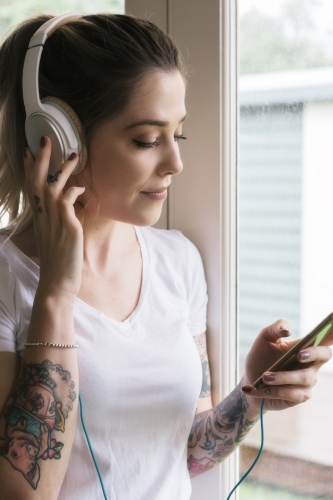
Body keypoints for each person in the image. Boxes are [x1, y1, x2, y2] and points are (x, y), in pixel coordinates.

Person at [0, 12, 331, 500]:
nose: (175, 162)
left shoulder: (178, 262)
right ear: (54, 139)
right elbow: (25, 492)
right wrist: (56, 294)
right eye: (146, 140)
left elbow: (189, 450)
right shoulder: (8, 281)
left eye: (178, 135)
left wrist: (253, 394)